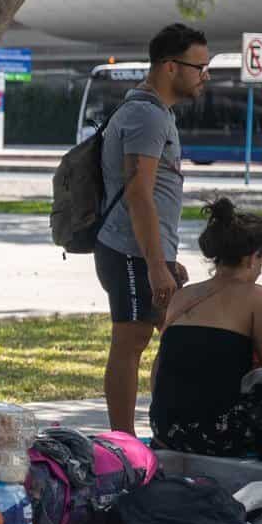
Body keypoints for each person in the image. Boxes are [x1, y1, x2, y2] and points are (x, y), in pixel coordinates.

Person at [98, 23, 208, 435]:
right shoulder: (145, 115)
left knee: (177, 337)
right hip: (129, 251)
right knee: (130, 345)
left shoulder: (156, 113)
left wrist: (165, 259)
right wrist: (155, 264)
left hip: (149, 251)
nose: (204, 75)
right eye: (198, 66)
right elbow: (139, 194)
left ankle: (166, 430)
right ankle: (123, 447)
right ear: (168, 67)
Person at [149, 199, 262, 459]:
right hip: (217, 435)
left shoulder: (183, 296)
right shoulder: (256, 297)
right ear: (253, 258)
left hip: (164, 428)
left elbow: (159, 368)